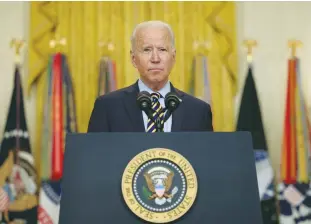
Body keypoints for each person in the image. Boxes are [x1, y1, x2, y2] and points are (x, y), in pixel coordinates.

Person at [87, 20, 213, 133]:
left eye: (162, 49)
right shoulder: (107, 107)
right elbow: (95, 156)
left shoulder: (198, 111)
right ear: (133, 58)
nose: (155, 58)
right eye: (147, 50)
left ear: (173, 57)